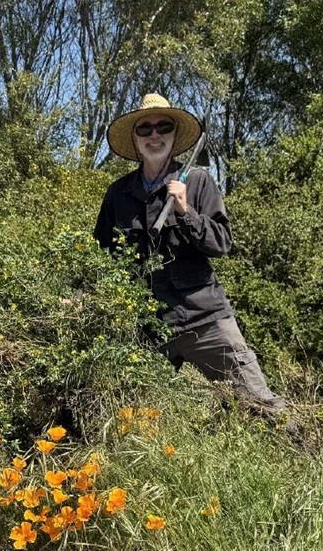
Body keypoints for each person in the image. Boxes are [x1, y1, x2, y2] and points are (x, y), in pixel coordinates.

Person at [93, 93, 287, 417]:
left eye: (163, 127)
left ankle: (296, 447)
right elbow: (101, 257)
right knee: (134, 415)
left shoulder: (197, 181)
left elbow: (221, 243)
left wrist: (187, 212)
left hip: (205, 316)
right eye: (145, 129)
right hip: (149, 326)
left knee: (260, 406)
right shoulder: (118, 194)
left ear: (174, 135)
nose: (155, 135)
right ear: (135, 139)